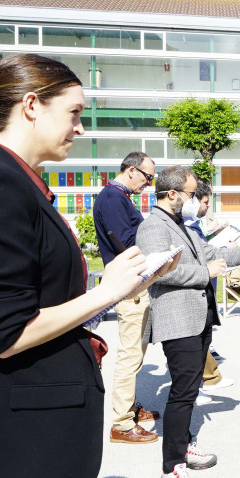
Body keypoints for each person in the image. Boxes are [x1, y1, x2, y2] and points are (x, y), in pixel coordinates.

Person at [0, 53, 178, 478]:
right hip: (24, 441)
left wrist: (122, 284)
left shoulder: (16, 182)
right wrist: (106, 292)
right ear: (32, 105)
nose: (80, 128)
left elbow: (34, 295)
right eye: (74, 112)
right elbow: (10, 331)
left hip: (34, 431)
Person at [136, 166, 240, 478]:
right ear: (173, 194)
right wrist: (204, 272)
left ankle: (185, 445)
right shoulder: (152, 226)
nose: (196, 201)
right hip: (177, 320)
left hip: (198, 316)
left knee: (191, 389)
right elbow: (159, 271)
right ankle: (171, 470)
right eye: (192, 195)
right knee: (182, 392)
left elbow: (211, 254)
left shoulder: (183, 225)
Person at [94, 151, 162, 444]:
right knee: (130, 355)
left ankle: (129, 408)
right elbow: (125, 242)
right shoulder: (112, 198)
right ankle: (121, 424)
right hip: (130, 286)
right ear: (131, 170)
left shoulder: (118, 196)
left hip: (135, 282)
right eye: (148, 177)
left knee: (136, 352)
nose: (149, 183)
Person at [182, 180, 234, 395]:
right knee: (194, 342)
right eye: (204, 202)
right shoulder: (183, 224)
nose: (206, 207)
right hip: (197, 283)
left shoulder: (192, 222)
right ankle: (202, 384)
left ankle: (204, 382)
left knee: (203, 338)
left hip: (206, 279)